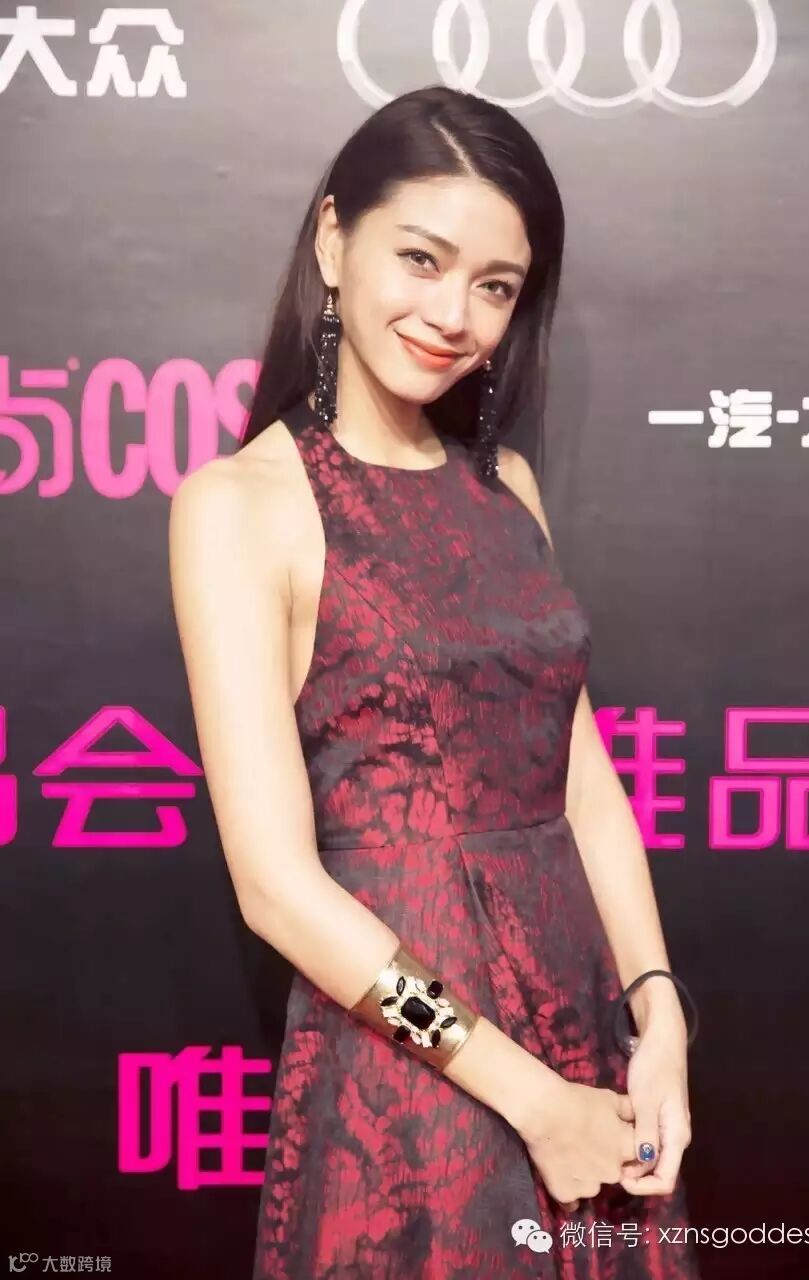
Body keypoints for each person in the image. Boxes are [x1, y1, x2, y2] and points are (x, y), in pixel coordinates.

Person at [169, 85, 701, 1279]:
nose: (454, 314)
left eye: (496, 286)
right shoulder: (241, 506)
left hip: (582, 1019)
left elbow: (582, 781)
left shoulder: (505, 485)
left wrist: (656, 1006)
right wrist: (529, 1095)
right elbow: (275, 885)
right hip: (414, 1060)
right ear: (333, 239)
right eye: (422, 258)